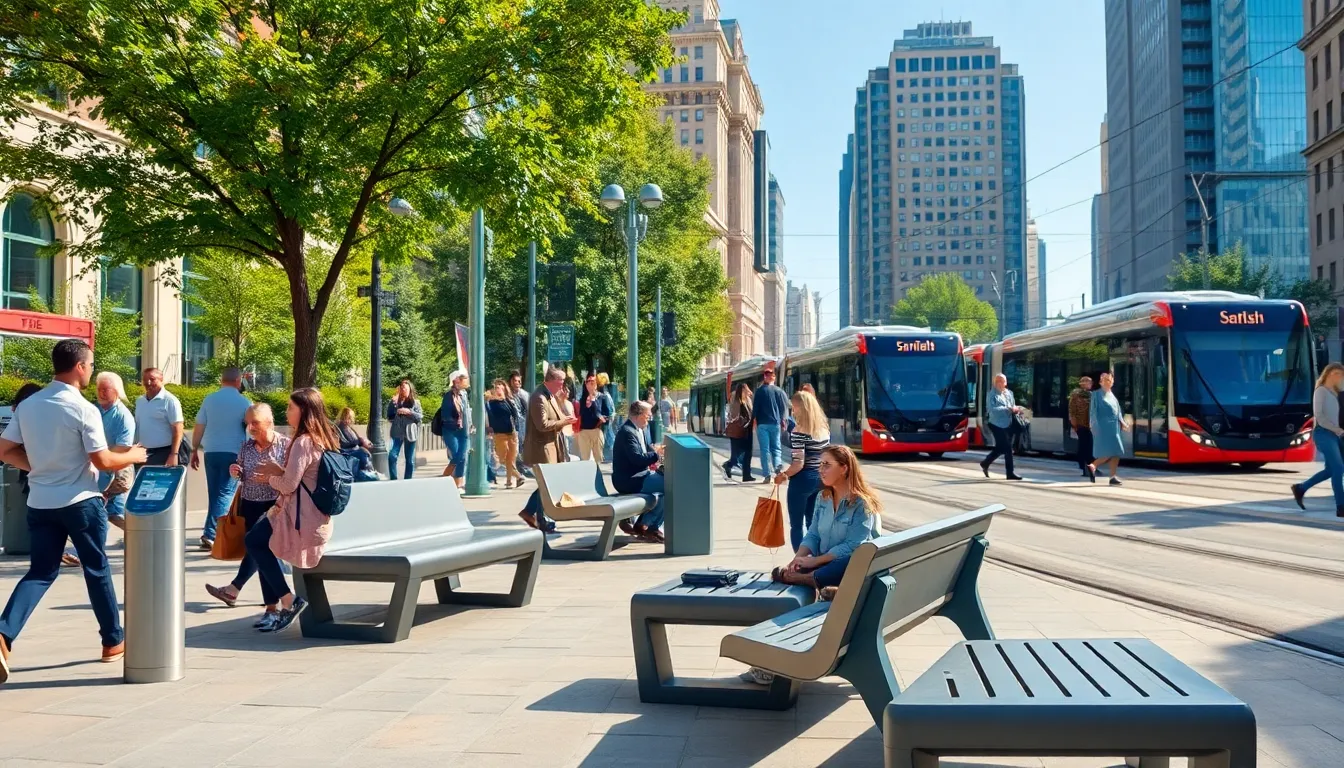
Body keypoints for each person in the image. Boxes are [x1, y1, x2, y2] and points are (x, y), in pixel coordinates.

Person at [0, 339, 148, 685]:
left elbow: (5, 450)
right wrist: (133, 456)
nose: (92, 370)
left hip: (40, 502)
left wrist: (36, 465)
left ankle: (4, 635)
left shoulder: (31, 405)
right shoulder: (83, 408)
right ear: (80, 367)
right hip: (81, 502)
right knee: (96, 570)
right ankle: (113, 641)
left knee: (40, 572)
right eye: (91, 364)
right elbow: (103, 460)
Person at [243, 388, 341, 633]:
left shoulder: (303, 441)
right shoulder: (323, 436)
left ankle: (288, 601)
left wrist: (269, 478)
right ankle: (282, 602)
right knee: (257, 541)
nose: (286, 412)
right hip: (314, 515)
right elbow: (304, 476)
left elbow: (288, 486)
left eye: (290, 407)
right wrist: (278, 470)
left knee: (255, 541)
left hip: (300, 516)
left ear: (304, 410)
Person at [204, 404, 291, 623]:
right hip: (250, 503)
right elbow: (242, 473)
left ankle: (269, 604)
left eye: (255, 423)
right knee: (259, 552)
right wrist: (236, 471)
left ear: (269, 422)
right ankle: (270, 606)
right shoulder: (246, 447)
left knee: (263, 551)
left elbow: (291, 478)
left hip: (274, 505)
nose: (250, 427)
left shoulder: (286, 445)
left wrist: (273, 476)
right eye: (248, 423)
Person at [189, 367, 251, 550]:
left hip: (212, 452)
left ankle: (210, 532)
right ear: (239, 381)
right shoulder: (245, 402)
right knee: (225, 494)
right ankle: (211, 534)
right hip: (234, 453)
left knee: (215, 494)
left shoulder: (210, 400)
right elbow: (252, 426)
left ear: (221, 380)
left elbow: (199, 425)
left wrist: (194, 449)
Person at [519, 367, 579, 530]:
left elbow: (555, 417)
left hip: (551, 446)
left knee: (547, 484)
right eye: (560, 382)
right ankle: (535, 515)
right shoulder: (539, 397)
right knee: (547, 484)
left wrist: (563, 416)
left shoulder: (549, 395)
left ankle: (535, 515)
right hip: (542, 448)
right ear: (550, 381)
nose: (562, 385)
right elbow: (542, 425)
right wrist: (564, 422)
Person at [774, 390, 831, 551]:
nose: (793, 411)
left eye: (794, 407)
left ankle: (799, 564)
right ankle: (815, 559)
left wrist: (783, 475)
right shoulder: (824, 430)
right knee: (813, 524)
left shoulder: (799, 432)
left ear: (802, 408)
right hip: (821, 479)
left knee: (797, 526)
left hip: (802, 480)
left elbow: (798, 463)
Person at [1292, 362, 1344, 516]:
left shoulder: (1336, 392)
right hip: (1323, 433)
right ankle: (1341, 507)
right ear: (1328, 374)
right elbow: (1320, 417)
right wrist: (1337, 430)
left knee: (1331, 469)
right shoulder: (1320, 391)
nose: (1339, 377)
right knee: (1339, 468)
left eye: (1341, 375)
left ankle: (1300, 488)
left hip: (1336, 434)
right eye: (1336, 374)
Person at [613, 400, 666, 542]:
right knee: (670, 485)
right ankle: (650, 526)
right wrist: (656, 454)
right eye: (647, 416)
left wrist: (655, 451)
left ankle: (646, 525)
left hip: (640, 476)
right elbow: (637, 458)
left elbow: (645, 452)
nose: (649, 420)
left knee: (666, 490)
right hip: (629, 479)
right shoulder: (627, 432)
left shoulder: (637, 430)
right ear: (638, 415)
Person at [94, 372, 134, 538]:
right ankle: (142, 538)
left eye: (106, 389)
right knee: (110, 513)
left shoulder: (123, 416)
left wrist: (104, 468)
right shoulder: (93, 410)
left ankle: (143, 537)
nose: (101, 393)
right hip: (97, 469)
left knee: (105, 513)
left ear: (116, 390)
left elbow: (122, 449)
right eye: (99, 389)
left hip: (114, 472)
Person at [135, 367, 184, 467]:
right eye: (145, 380)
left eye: (152, 379)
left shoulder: (170, 401)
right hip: (143, 453)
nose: (148, 382)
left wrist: (174, 454)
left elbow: (178, 429)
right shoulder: (140, 401)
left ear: (161, 380)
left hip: (163, 453)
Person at [979, 373, 1024, 481]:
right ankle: (1010, 473)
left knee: (1000, 448)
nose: (999, 383)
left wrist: (1016, 409)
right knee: (1008, 448)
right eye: (997, 381)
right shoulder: (992, 394)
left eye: (1002, 381)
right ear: (994, 383)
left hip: (1008, 423)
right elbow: (991, 409)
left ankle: (985, 463)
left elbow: (1012, 405)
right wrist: (1007, 408)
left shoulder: (1009, 393)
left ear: (1005, 383)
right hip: (996, 423)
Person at [1087, 371, 1129, 486]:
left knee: (1116, 451)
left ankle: (1111, 476)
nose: (1108, 382)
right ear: (1101, 382)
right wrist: (1093, 426)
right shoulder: (1096, 394)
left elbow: (1118, 411)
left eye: (1110, 380)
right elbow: (1092, 412)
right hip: (1102, 426)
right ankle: (1094, 466)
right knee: (1111, 451)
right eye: (1106, 380)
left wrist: (1123, 423)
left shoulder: (1112, 394)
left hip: (1114, 427)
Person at [486, 380, 525, 489]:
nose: (499, 389)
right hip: (499, 434)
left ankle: (509, 482)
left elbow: (515, 415)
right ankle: (518, 476)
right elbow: (486, 414)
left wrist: (516, 429)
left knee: (510, 459)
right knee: (502, 458)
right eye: (497, 387)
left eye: (501, 387)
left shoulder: (508, 401)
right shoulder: (490, 403)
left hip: (511, 433)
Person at [753, 366, 789, 483]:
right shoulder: (779, 391)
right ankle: (777, 467)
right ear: (774, 377)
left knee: (765, 450)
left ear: (765, 377)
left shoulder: (759, 391)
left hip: (762, 424)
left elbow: (755, 409)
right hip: (775, 424)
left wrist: (753, 422)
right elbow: (784, 408)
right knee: (776, 448)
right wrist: (783, 421)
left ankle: (767, 475)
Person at [387, 379, 424, 481]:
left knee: (409, 459)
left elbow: (420, 417)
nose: (404, 390)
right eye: (402, 388)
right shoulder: (394, 402)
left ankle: (408, 480)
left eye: (406, 388)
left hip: (410, 433)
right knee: (392, 456)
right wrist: (395, 407)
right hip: (397, 433)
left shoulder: (415, 403)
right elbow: (389, 417)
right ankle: (393, 478)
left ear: (410, 390)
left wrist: (409, 412)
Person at [722, 382, 756, 482]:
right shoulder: (736, 400)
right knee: (736, 455)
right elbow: (733, 416)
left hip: (747, 429)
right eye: (745, 390)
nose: (748, 392)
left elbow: (751, 412)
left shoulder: (748, 400)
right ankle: (728, 465)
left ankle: (746, 475)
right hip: (737, 430)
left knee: (748, 453)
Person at [575, 373, 612, 462]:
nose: (591, 383)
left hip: (597, 430)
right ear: (585, 384)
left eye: (593, 381)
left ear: (597, 384)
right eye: (588, 381)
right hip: (583, 432)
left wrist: (594, 402)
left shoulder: (602, 397)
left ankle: (598, 475)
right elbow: (581, 413)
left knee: (598, 458)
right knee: (585, 459)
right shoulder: (582, 398)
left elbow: (607, 414)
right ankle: (586, 475)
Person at [1068, 376, 1094, 478]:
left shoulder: (1091, 395)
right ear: (1083, 383)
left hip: (1090, 424)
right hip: (1081, 424)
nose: (1091, 384)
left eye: (1090, 382)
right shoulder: (1075, 395)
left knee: (1089, 446)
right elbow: (1072, 410)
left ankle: (1090, 466)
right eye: (1089, 382)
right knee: (1084, 446)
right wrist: (1074, 424)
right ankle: (1085, 468)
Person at [508, 371, 533, 478]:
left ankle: (523, 468)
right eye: (515, 381)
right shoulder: (507, 394)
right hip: (511, 425)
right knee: (515, 448)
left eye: (519, 381)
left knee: (522, 446)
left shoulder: (524, 394)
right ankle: (519, 468)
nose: (517, 383)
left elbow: (529, 410)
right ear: (510, 381)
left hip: (522, 424)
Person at [335, 407, 374, 471]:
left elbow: (354, 441)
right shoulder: (340, 427)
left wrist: (362, 441)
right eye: (349, 418)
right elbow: (345, 443)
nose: (351, 420)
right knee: (363, 453)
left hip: (353, 449)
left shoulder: (348, 427)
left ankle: (369, 471)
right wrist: (360, 441)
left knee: (365, 452)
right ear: (345, 417)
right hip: (346, 451)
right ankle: (369, 472)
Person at [597, 372, 617, 462]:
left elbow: (608, 409)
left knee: (606, 437)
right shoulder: (606, 393)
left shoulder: (603, 394)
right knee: (608, 437)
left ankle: (606, 456)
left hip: (604, 420)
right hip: (607, 419)